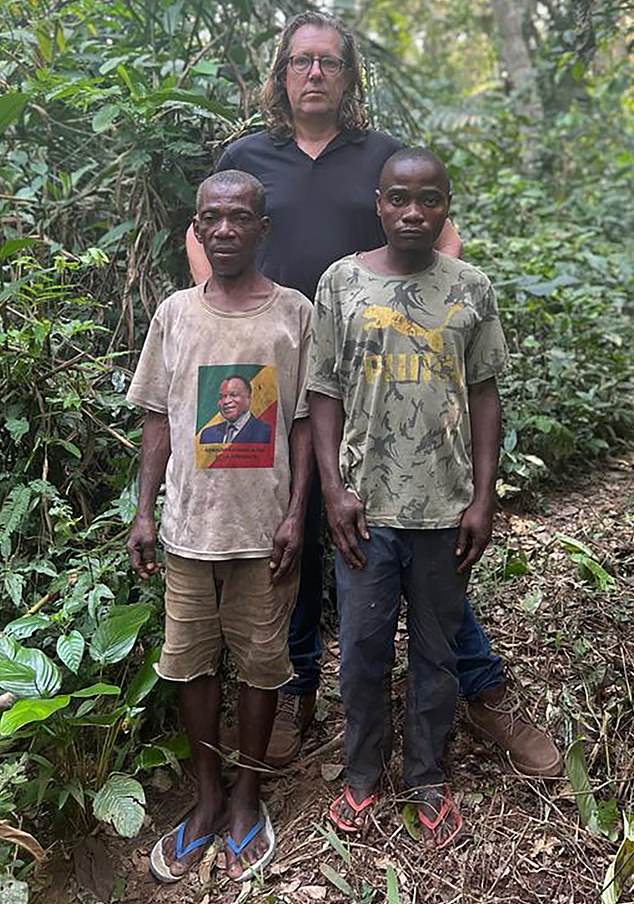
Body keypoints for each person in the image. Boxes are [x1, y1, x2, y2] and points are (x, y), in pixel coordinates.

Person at [186, 11, 562, 779]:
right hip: (267, 378)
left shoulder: (384, 157)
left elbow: (441, 244)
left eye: (329, 62)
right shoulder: (248, 155)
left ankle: (479, 690)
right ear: (281, 74)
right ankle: (294, 689)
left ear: (350, 76)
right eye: (301, 62)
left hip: (379, 378)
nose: (314, 74)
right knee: (289, 534)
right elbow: (207, 233)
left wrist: (420, 324)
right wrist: (231, 318)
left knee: (420, 533)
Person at [309, 147, 506, 845]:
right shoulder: (340, 284)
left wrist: (483, 497)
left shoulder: (471, 286)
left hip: (444, 510)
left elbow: (484, 393)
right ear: (379, 203)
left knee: (437, 651)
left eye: (429, 199)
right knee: (361, 649)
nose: (414, 212)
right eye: (399, 198)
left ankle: (427, 774)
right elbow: (323, 391)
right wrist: (333, 488)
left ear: (447, 205)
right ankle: (361, 774)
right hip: (365, 510)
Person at [127, 170, 313, 883]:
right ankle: (205, 801)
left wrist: (297, 515)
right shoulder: (175, 313)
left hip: (265, 534)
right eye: (214, 218)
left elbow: (302, 421)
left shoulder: (292, 314)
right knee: (189, 663)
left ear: (263, 229)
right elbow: (157, 422)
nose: (227, 229)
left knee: (263, 666)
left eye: (241, 218)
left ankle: (246, 797)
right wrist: (144, 512)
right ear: (198, 230)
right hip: (187, 533)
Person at [200, 375, 272, 444]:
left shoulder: (266, 433)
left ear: (248, 398)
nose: (226, 401)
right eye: (221, 397)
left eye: (233, 395)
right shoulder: (207, 435)